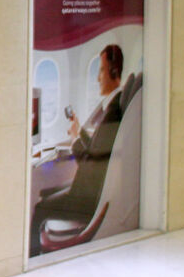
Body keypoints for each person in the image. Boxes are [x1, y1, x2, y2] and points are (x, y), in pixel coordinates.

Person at [29, 44, 125, 255]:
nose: (98, 78)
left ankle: (35, 259)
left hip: (87, 197)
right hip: (86, 189)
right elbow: (97, 149)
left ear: (113, 72)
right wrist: (79, 131)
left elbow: (91, 164)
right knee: (45, 195)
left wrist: (74, 140)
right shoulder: (111, 107)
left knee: (39, 208)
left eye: (101, 70)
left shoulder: (113, 112)